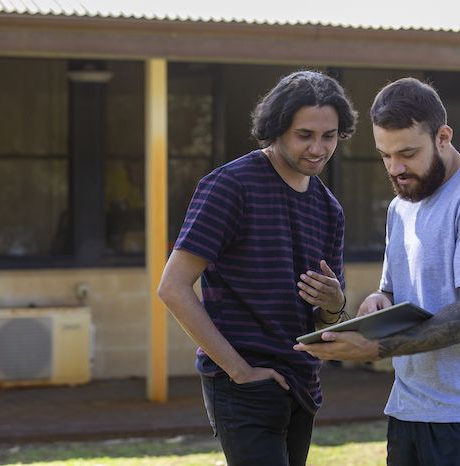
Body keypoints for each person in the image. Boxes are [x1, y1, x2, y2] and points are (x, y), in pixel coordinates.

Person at [294, 77, 460, 465]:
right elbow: (393, 290)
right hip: (409, 413)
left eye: (407, 153)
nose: (396, 168)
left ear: (443, 136)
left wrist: (375, 348)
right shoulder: (401, 205)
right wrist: (378, 302)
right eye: (385, 155)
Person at [157, 70, 357, 466]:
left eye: (329, 136)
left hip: (302, 384)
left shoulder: (329, 209)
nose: (318, 148)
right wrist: (240, 371)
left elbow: (325, 322)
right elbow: (173, 287)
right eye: (305, 135)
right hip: (242, 383)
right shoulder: (231, 185)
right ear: (277, 128)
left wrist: (335, 303)